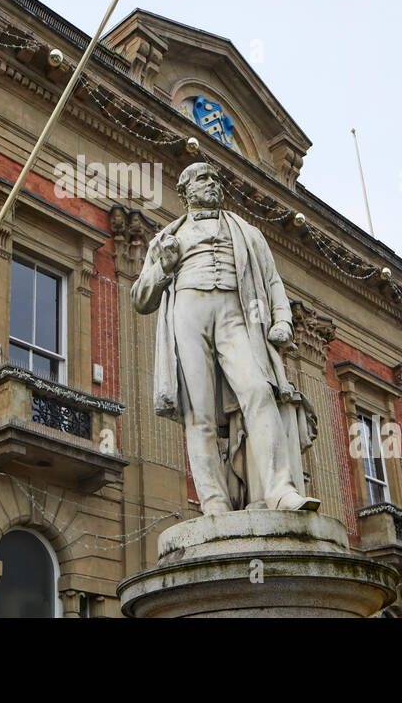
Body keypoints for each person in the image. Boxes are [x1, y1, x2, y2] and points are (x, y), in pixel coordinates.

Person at [131, 161, 319, 514]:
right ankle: (214, 502)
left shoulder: (246, 231)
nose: (212, 184)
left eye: (216, 178)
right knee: (197, 411)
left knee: (259, 391)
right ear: (185, 191)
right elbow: (141, 298)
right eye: (202, 178)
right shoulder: (167, 237)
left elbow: (272, 279)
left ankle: (280, 490)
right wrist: (163, 267)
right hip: (189, 310)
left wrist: (283, 321)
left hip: (236, 313)